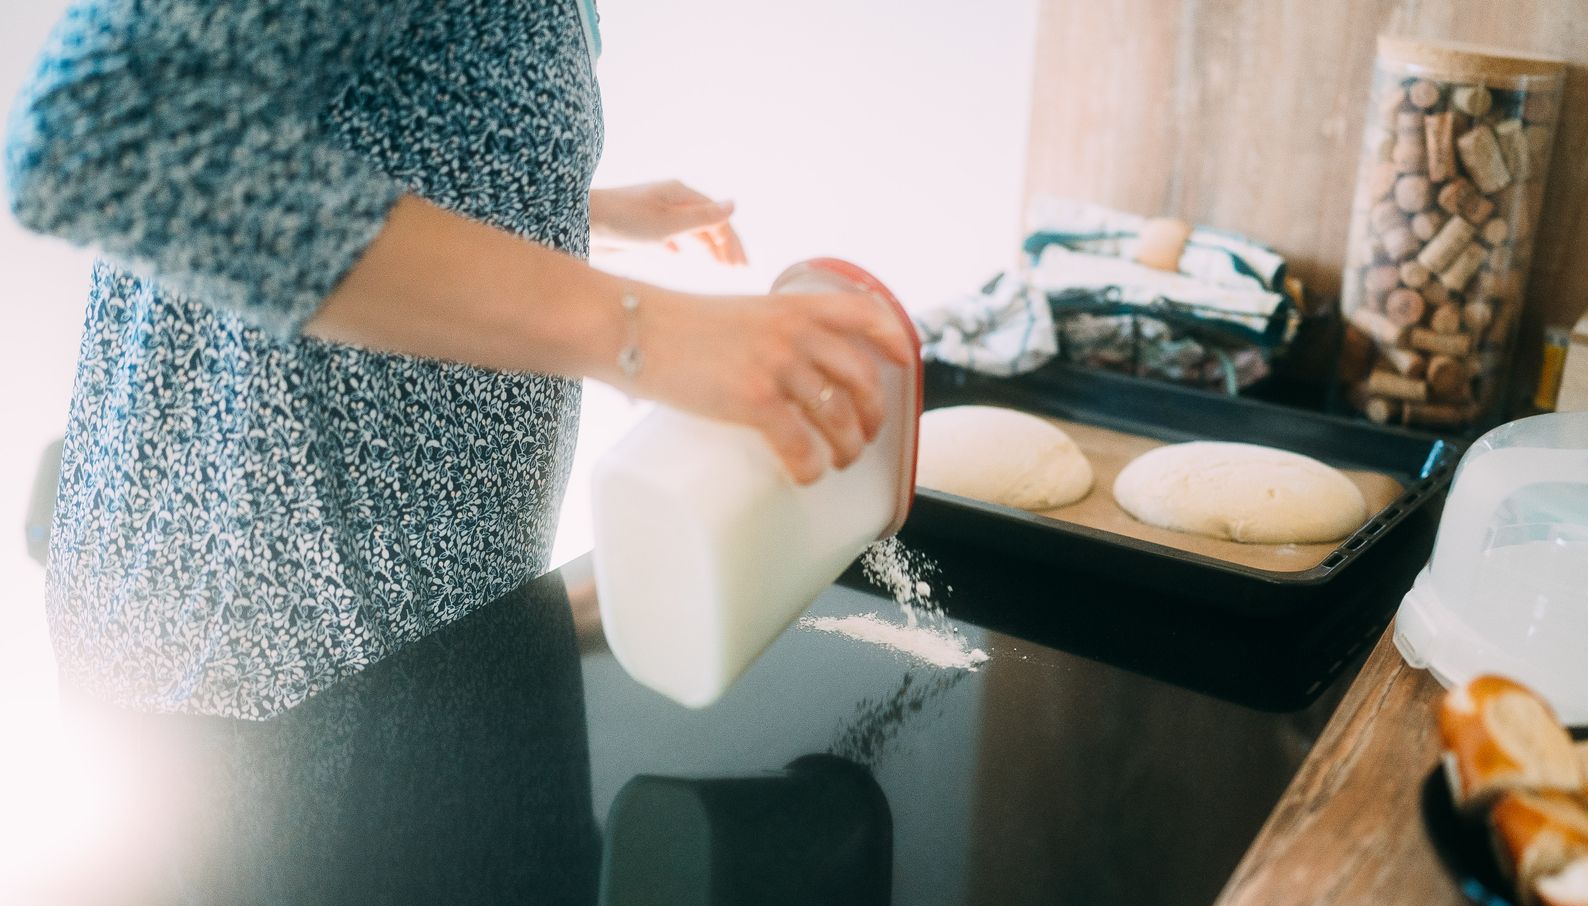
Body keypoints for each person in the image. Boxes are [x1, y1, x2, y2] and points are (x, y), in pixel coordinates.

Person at [4, 0, 914, 719]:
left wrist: (559, 205)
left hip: (424, 634)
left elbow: (357, 121)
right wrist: (648, 331)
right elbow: (103, 133)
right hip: (277, 670)